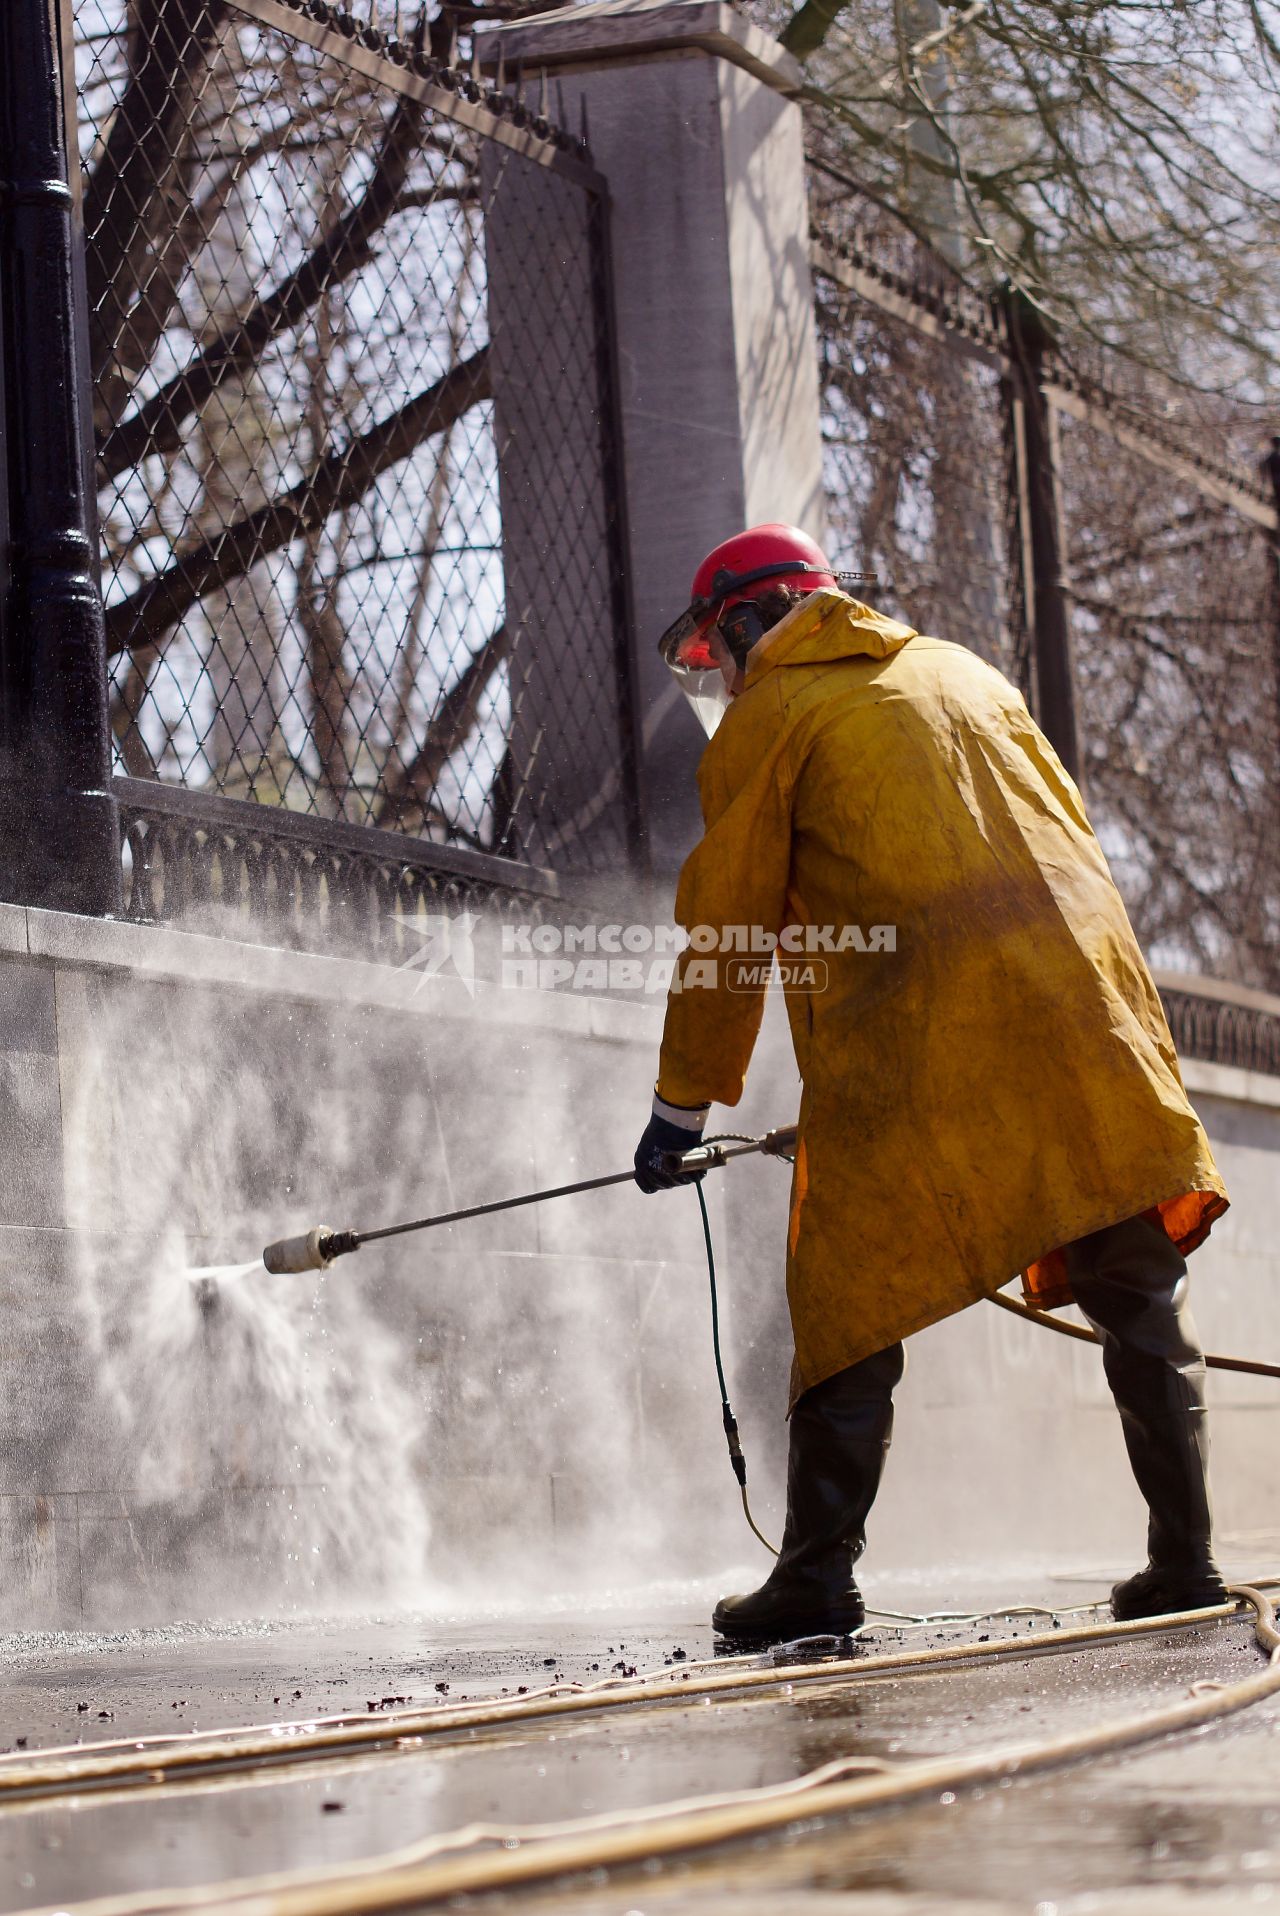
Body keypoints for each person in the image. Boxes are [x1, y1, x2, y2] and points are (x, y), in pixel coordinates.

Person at [632, 522, 1230, 1647]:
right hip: (1075, 1017)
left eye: (723, 649)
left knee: (846, 1295)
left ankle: (814, 1574)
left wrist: (678, 1110)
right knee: (1134, 1286)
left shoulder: (775, 714)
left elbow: (727, 924)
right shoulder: (967, 673)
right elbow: (1075, 853)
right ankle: (1186, 1558)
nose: (727, 677)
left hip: (913, 1035)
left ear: (752, 625)